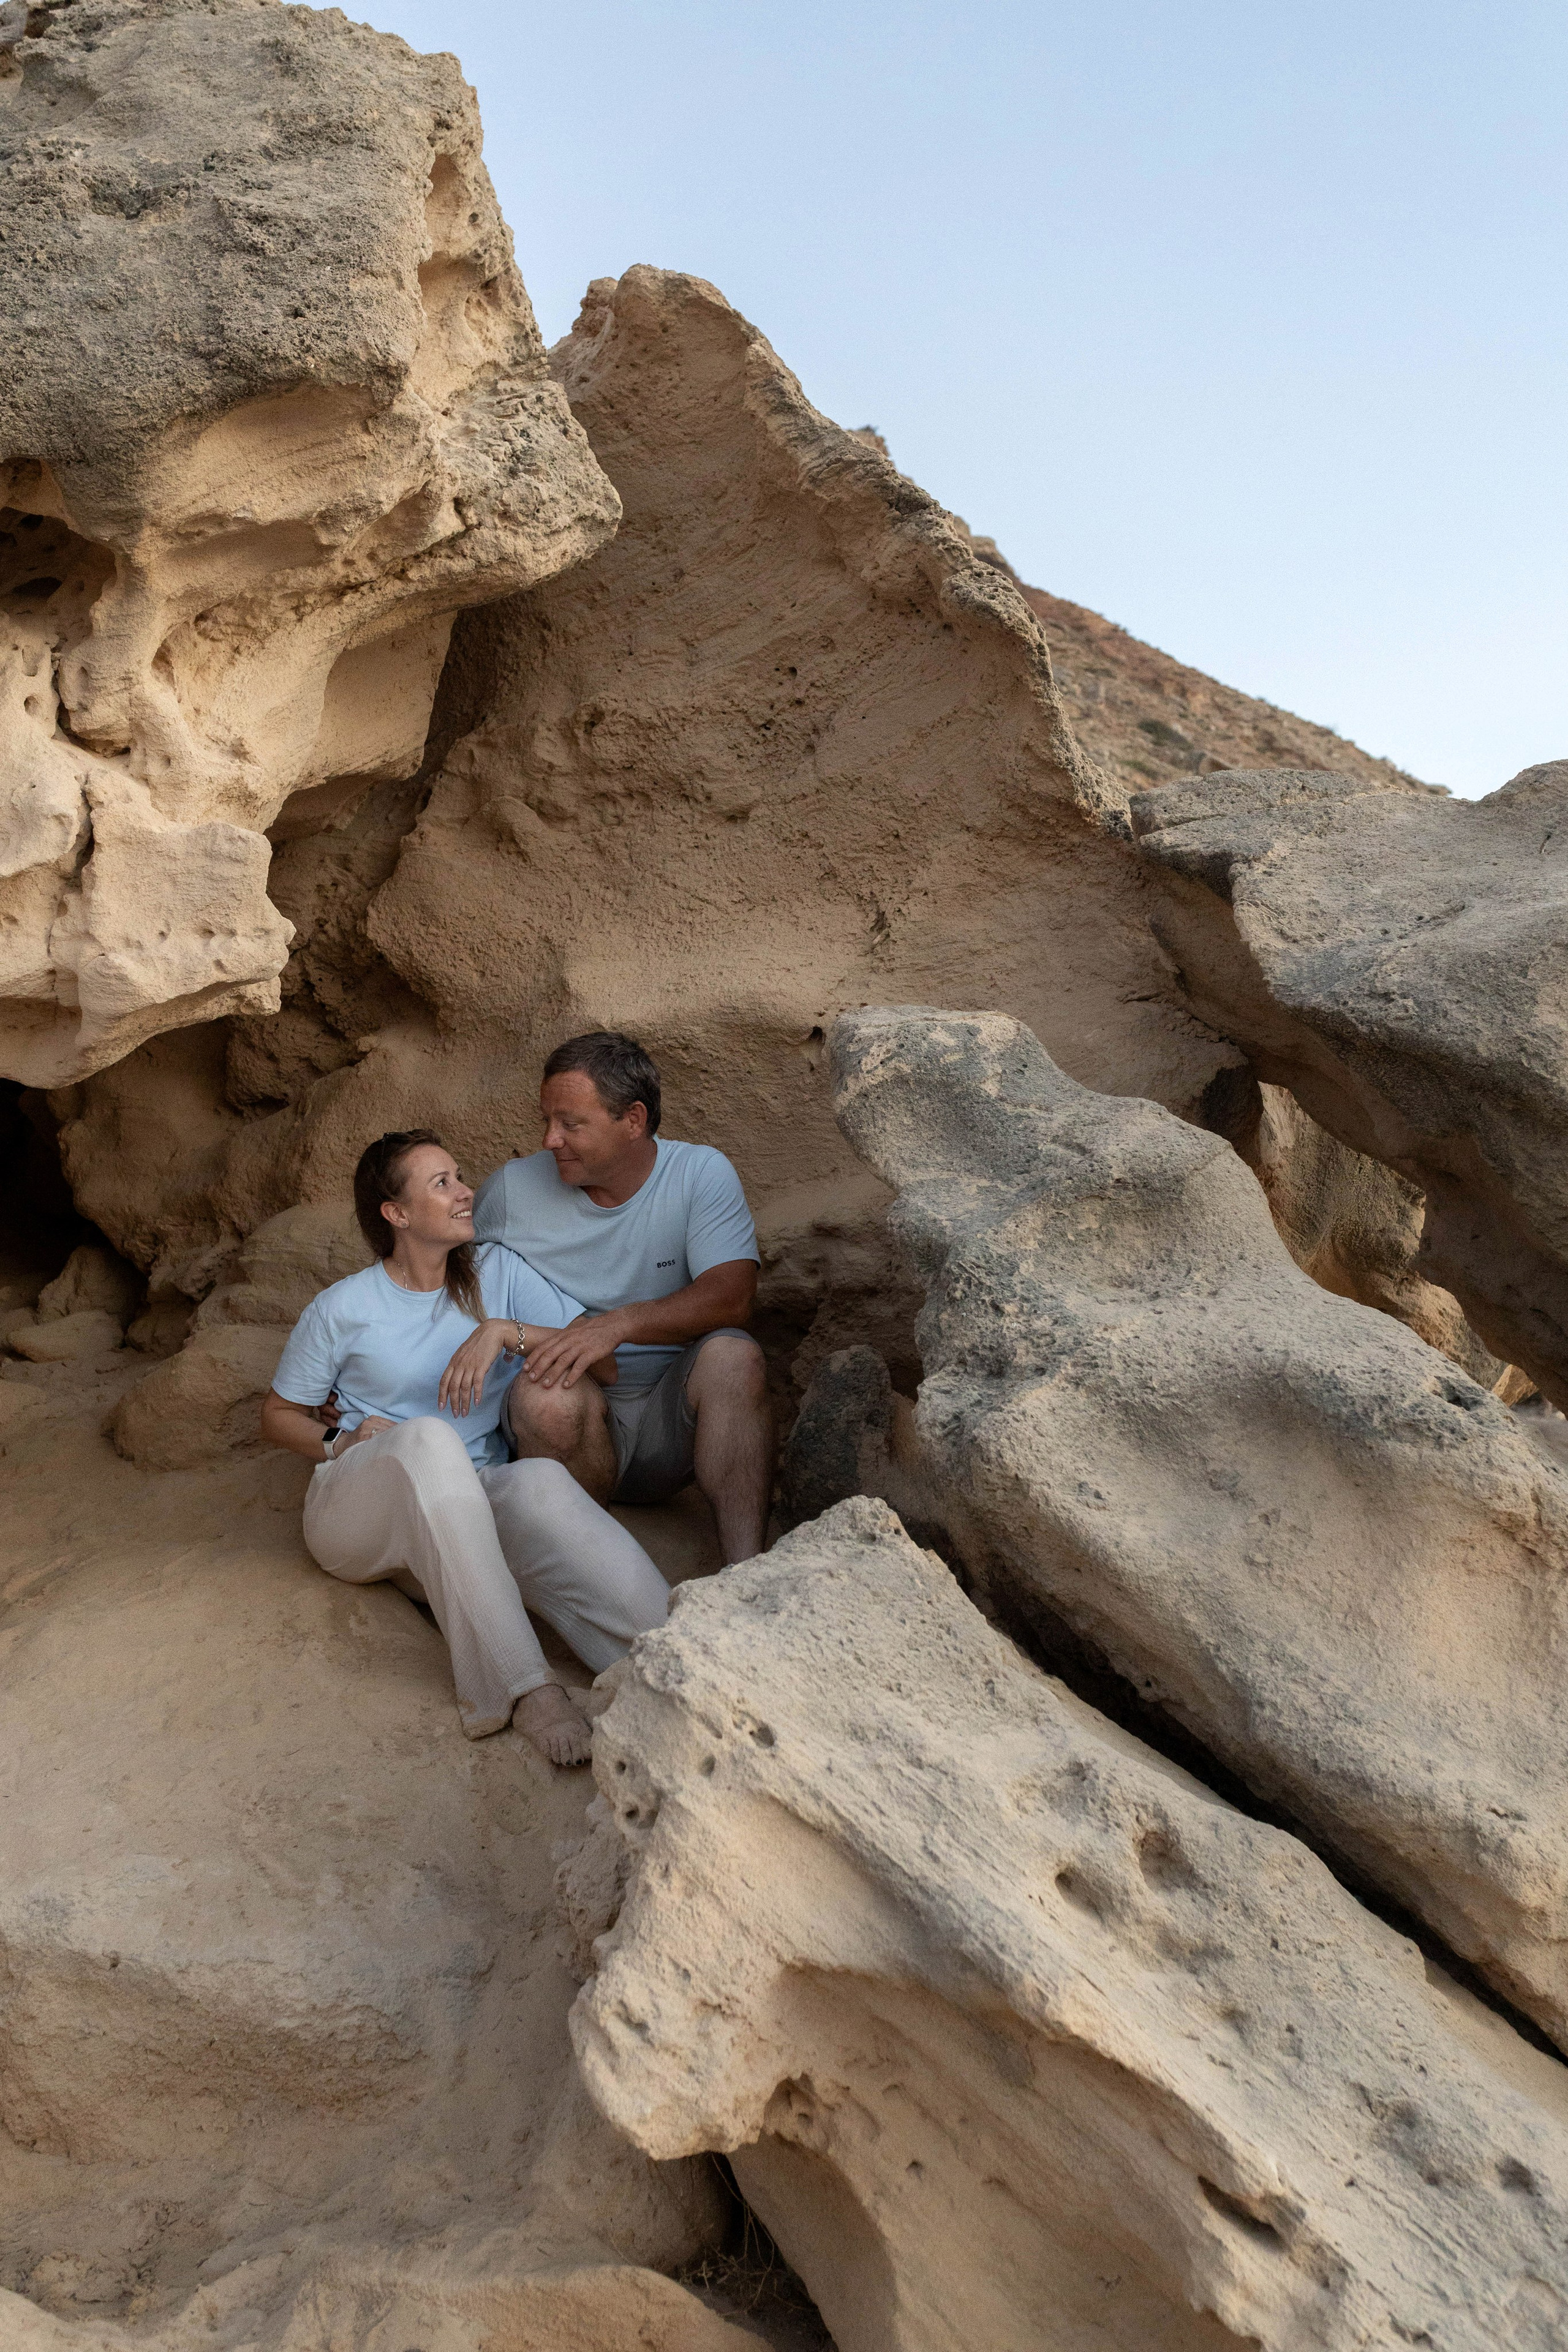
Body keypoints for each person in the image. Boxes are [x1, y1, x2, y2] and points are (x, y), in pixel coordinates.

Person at [258, 1129, 672, 1767]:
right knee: (425, 1439)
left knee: (539, 1484)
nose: (465, 1191)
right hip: (361, 1514)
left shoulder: (500, 1274)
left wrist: (502, 1331)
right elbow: (279, 1414)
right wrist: (340, 1439)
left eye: (459, 1176)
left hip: (467, 1514)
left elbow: (605, 1364)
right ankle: (524, 1688)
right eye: (441, 1183)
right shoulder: (343, 1307)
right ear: (395, 1214)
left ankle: (669, 1653)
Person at [470, 1032, 774, 1564]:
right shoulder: (511, 1192)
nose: (549, 1140)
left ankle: (747, 1570)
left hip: (671, 1420)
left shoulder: (698, 1174)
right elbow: (441, 1286)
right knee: (543, 1394)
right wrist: (362, 1386)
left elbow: (732, 1299)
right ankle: (594, 1573)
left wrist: (618, 1324)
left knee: (735, 1356)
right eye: (546, 1120)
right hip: (571, 1414)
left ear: (633, 1120)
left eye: (571, 1123)